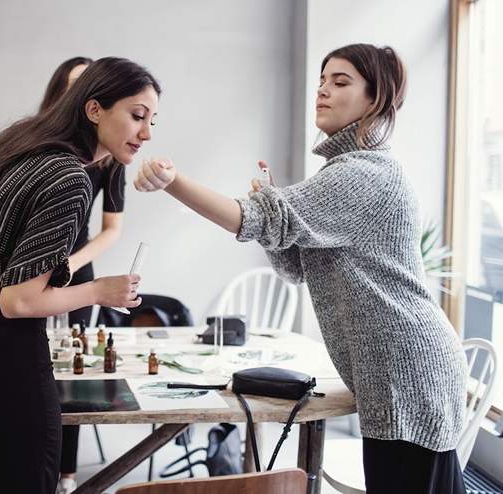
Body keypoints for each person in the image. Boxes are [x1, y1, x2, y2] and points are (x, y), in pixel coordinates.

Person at [135, 44, 467, 494]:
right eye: (322, 81)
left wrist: (174, 182)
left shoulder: (362, 173)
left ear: (375, 99)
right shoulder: (348, 169)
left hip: (408, 371)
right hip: (399, 371)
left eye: (341, 82)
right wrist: (276, 211)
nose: (323, 91)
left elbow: (254, 218)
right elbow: (294, 266)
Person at [0, 57, 160, 494]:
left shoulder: (19, 146)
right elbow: (17, 301)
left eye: (152, 120)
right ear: (94, 109)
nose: (147, 133)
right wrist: (99, 290)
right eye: (137, 116)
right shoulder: (70, 178)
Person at [39, 57, 128, 494]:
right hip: (35, 269)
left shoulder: (113, 157)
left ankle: (67, 476)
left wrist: (73, 264)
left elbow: (112, 230)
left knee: (71, 374)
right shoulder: (40, 151)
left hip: (76, 267)